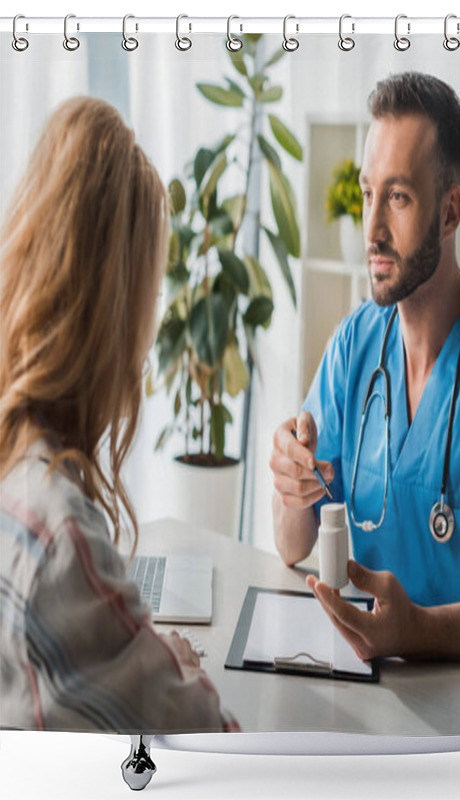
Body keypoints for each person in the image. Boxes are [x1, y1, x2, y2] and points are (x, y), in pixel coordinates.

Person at [270, 72, 460, 662]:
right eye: (367, 194)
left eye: (398, 197)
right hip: (364, 681)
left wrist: (419, 632)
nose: (372, 229)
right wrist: (289, 486)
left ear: (449, 211)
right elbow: (292, 545)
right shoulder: (355, 344)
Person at [0, 97, 238, 733]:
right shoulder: (61, 541)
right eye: (149, 294)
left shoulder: (15, 479)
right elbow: (219, 753)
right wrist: (174, 668)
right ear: (115, 311)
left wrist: (137, 651)